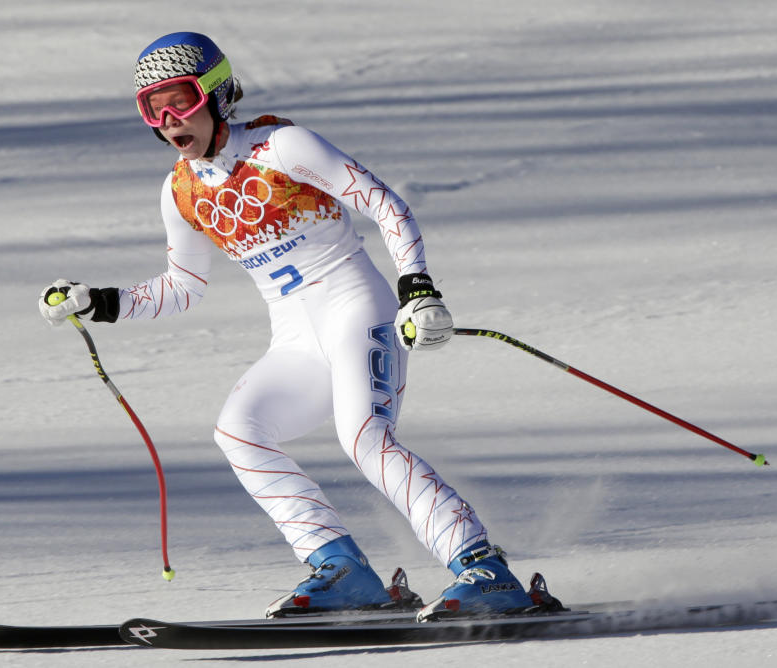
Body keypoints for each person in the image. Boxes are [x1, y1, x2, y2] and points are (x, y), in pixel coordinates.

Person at [39, 32, 561, 621]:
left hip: (355, 309)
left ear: (216, 94)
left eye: (179, 100)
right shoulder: (180, 191)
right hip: (295, 338)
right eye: (151, 108)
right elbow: (183, 286)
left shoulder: (281, 146)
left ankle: (485, 571)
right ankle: (342, 570)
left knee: (365, 438)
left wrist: (417, 288)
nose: (168, 121)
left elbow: (386, 204)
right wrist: (100, 302)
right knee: (239, 428)